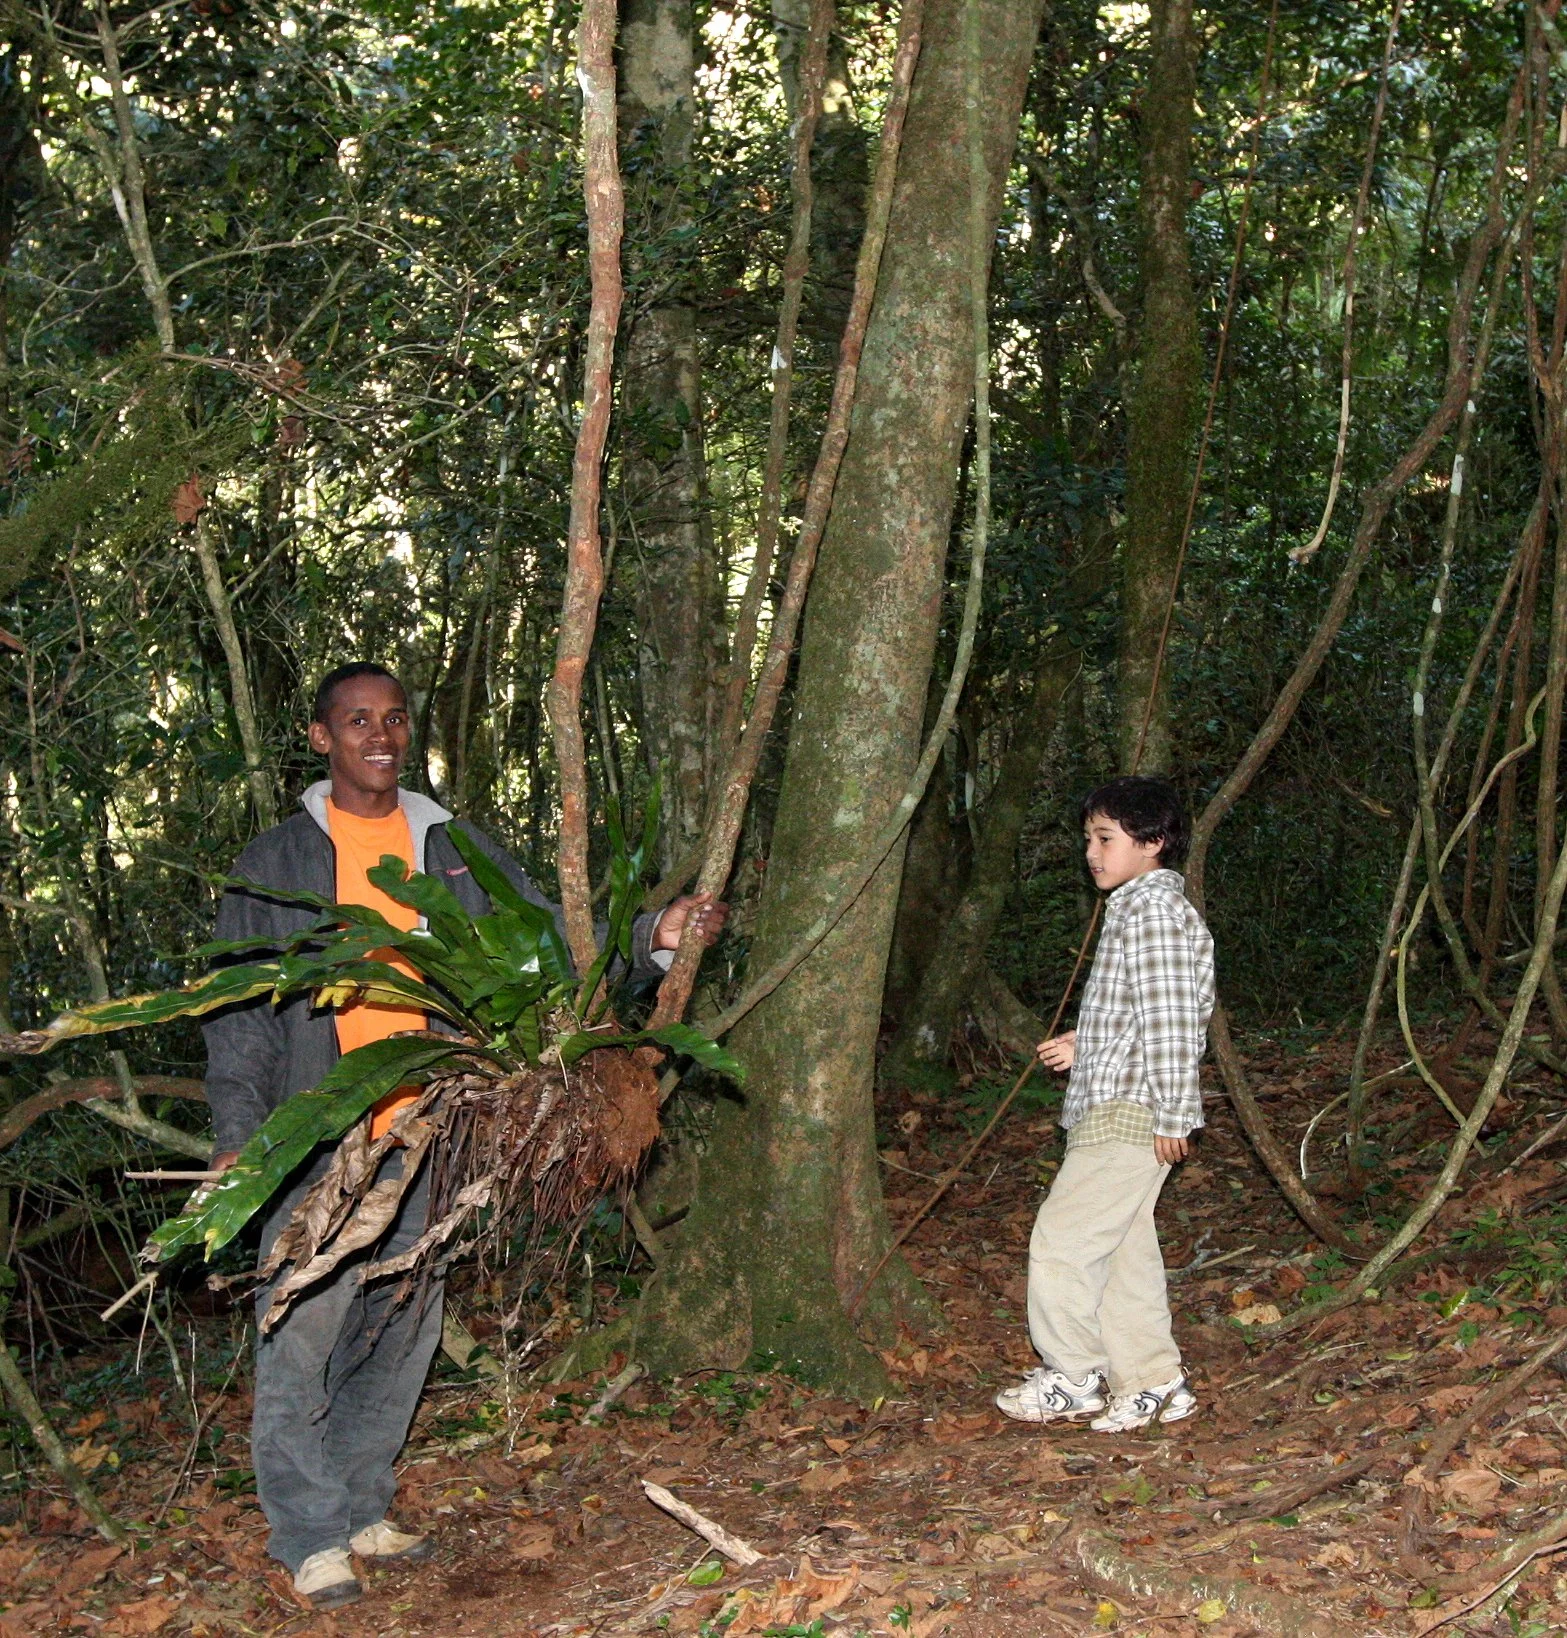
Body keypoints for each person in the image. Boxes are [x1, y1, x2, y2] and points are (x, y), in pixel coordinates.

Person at [203, 662, 726, 1608]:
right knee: (301, 1327)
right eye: (357, 720)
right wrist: (240, 1137)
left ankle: (362, 1502)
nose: (380, 736)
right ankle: (308, 1533)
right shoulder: (273, 862)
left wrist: (655, 936)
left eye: (395, 719)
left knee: (401, 1325)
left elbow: (549, 944)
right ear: (321, 739)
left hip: (436, 1128)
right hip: (320, 1134)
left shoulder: (454, 846)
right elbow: (237, 1015)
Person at [994, 775, 1214, 1434]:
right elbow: (1138, 1015)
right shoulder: (1134, 909)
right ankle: (1153, 1382)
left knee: (1061, 1243)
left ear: (1151, 842)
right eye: (1088, 838)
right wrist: (1082, 1040)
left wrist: (1175, 1114)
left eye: (1104, 838)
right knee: (1122, 1254)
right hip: (1113, 1103)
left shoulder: (1151, 913)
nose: (1090, 852)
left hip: (1131, 1110)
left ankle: (1074, 1373)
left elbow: (1173, 1022)